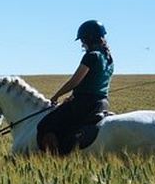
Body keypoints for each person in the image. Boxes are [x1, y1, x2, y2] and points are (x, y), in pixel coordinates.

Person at [37, 20, 114, 155]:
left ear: (88, 38)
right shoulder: (108, 58)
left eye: (82, 40)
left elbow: (75, 81)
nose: (82, 44)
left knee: (44, 125)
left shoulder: (91, 56)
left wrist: (57, 95)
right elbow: (91, 83)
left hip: (84, 104)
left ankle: (56, 159)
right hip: (101, 103)